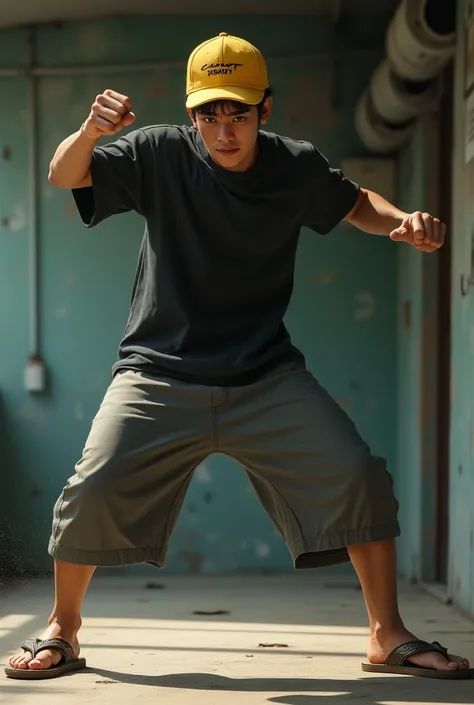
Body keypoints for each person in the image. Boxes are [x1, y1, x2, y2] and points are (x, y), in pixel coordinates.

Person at [5, 32, 471, 682]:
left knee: (357, 473)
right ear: (193, 112)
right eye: (210, 114)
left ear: (265, 110)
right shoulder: (160, 153)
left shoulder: (294, 167)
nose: (225, 130)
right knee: (95, 485)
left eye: (240, 113)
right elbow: (64, 173)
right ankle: (64, 629)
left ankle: (385, 633)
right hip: (158, 371)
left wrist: (402, 219)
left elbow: (355, 202)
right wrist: (89, 128)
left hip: (264, 373)